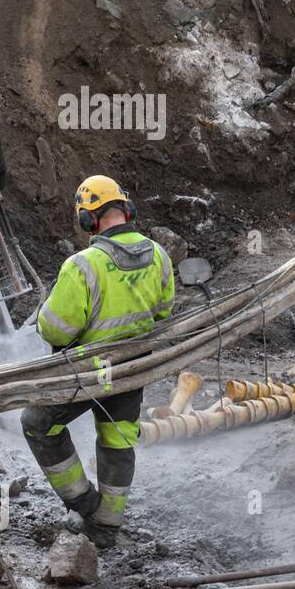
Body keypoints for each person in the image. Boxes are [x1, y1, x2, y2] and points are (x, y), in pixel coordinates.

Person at [21, 175, 175, 548]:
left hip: (87, 373)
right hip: (132, 369)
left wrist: (45, 313)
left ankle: (84, 501)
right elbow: (164, 313)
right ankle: (107, 525)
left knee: (38, 422)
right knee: (118, 438)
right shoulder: (159, 256)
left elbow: (56, 331)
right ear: (126, 209)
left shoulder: (82, 265)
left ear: (88, 220)